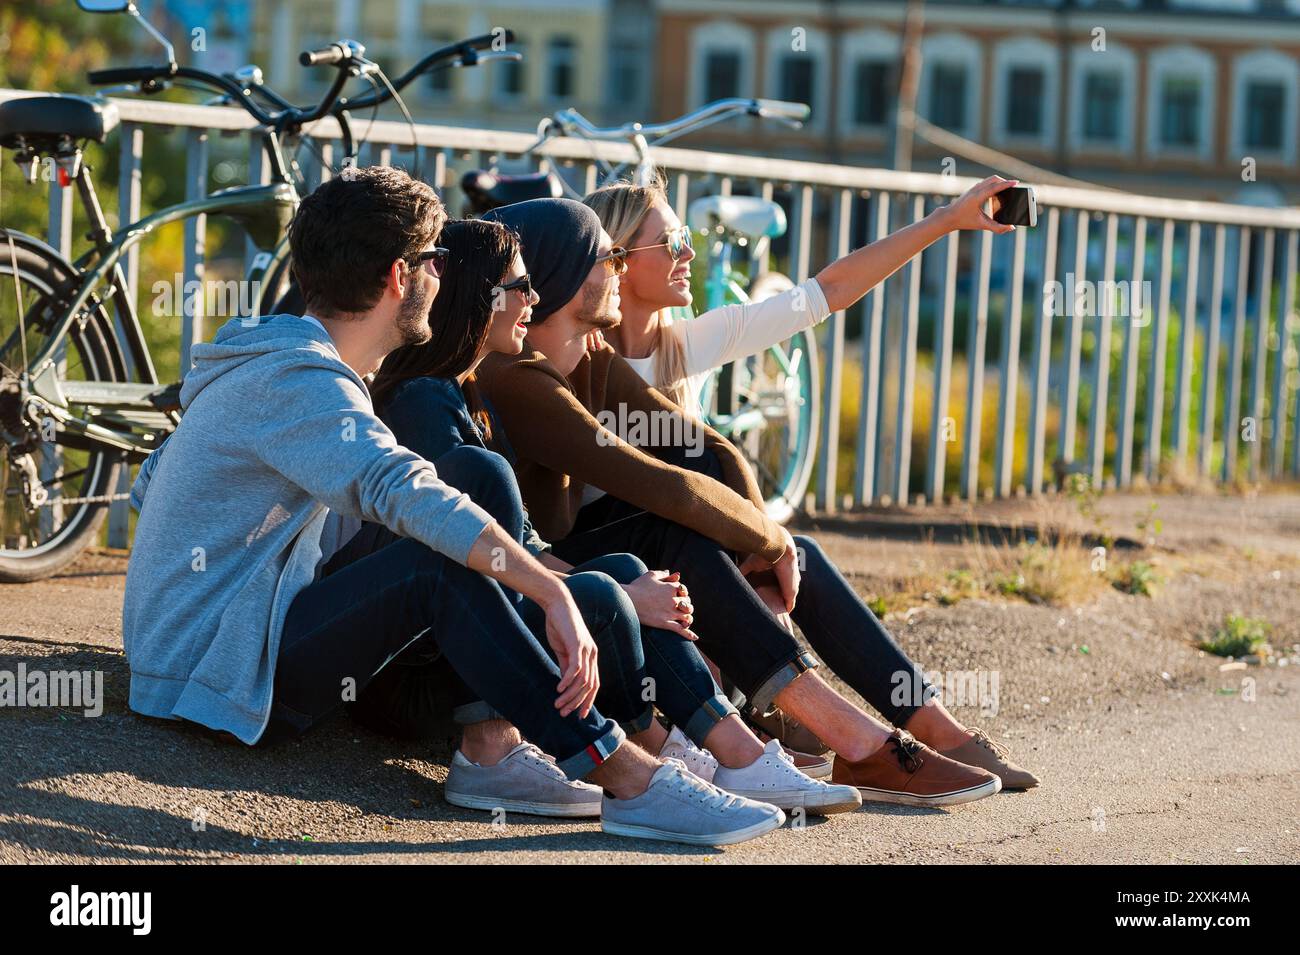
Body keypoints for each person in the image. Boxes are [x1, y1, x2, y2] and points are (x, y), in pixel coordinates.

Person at [120, 166, 788, 847]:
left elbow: (155, 482)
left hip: (213, 635)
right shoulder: (298, 379)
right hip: (207, 670)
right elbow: (398, 486)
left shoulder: (285, 354)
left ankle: (500, 747)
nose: (446, 275)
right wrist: (551, 593)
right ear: (397, 278)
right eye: (436, 260)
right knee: (436, 563)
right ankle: (629, 775)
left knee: (471, 489)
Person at [476, 197, 1039, 806]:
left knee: (798, 553)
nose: (618, 267)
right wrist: (767, 540)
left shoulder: (602, 355)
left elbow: (705, 450)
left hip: (644, 563)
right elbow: (654, 482)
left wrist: (767, 547)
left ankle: (924, 730)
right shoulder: (517, 376)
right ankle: (850, 743)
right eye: (608, 257)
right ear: (566, 273)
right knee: (684, 533)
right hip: (554, 574)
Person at [361, 217, 861, 816]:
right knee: (610, 588)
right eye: (520, 287)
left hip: (470, 646)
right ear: (480, 298)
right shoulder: (428, 399)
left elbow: (694, 454)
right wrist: (616, 591)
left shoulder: (466, 390)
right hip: (421, 672)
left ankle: (719, 753)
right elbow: (472, 552)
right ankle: (683, 757)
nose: (533, 299)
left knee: (624, 569)